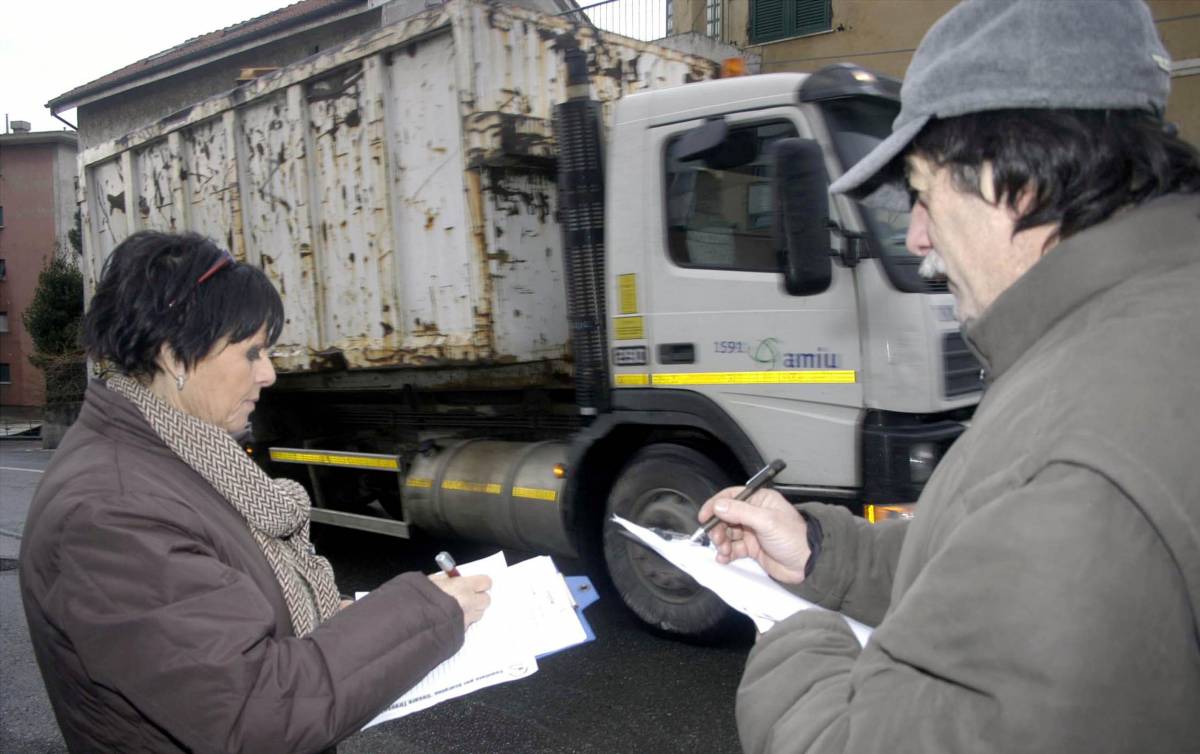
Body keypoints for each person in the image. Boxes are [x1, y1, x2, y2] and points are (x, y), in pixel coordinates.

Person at [698, 1, 1200, 752]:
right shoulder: (1148, 328)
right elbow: (993, 561)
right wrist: (820, 550)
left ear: (1015, 184)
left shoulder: (1071, 461)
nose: (916, 236)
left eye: (924, 195)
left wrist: (797, 634)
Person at [19, 231, 492, 753]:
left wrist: (349, 615)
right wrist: (425, 613)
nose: (268, 373)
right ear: (174, 355)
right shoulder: (112, 511)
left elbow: (229, 617)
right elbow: (256, 711)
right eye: (252, 352)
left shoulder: (180, 463)